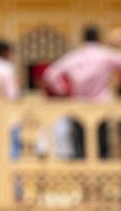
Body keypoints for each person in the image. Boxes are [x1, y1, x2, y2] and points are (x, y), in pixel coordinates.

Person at [42, 26, 121, 159]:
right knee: (101, 144)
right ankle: (99, 176)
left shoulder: (75, 56)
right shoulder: (106, 55)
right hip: (102, 105)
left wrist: (63, 91)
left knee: (81, 145)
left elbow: (50, 74)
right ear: (98, 38)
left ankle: (85, 175)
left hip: (79, 105)